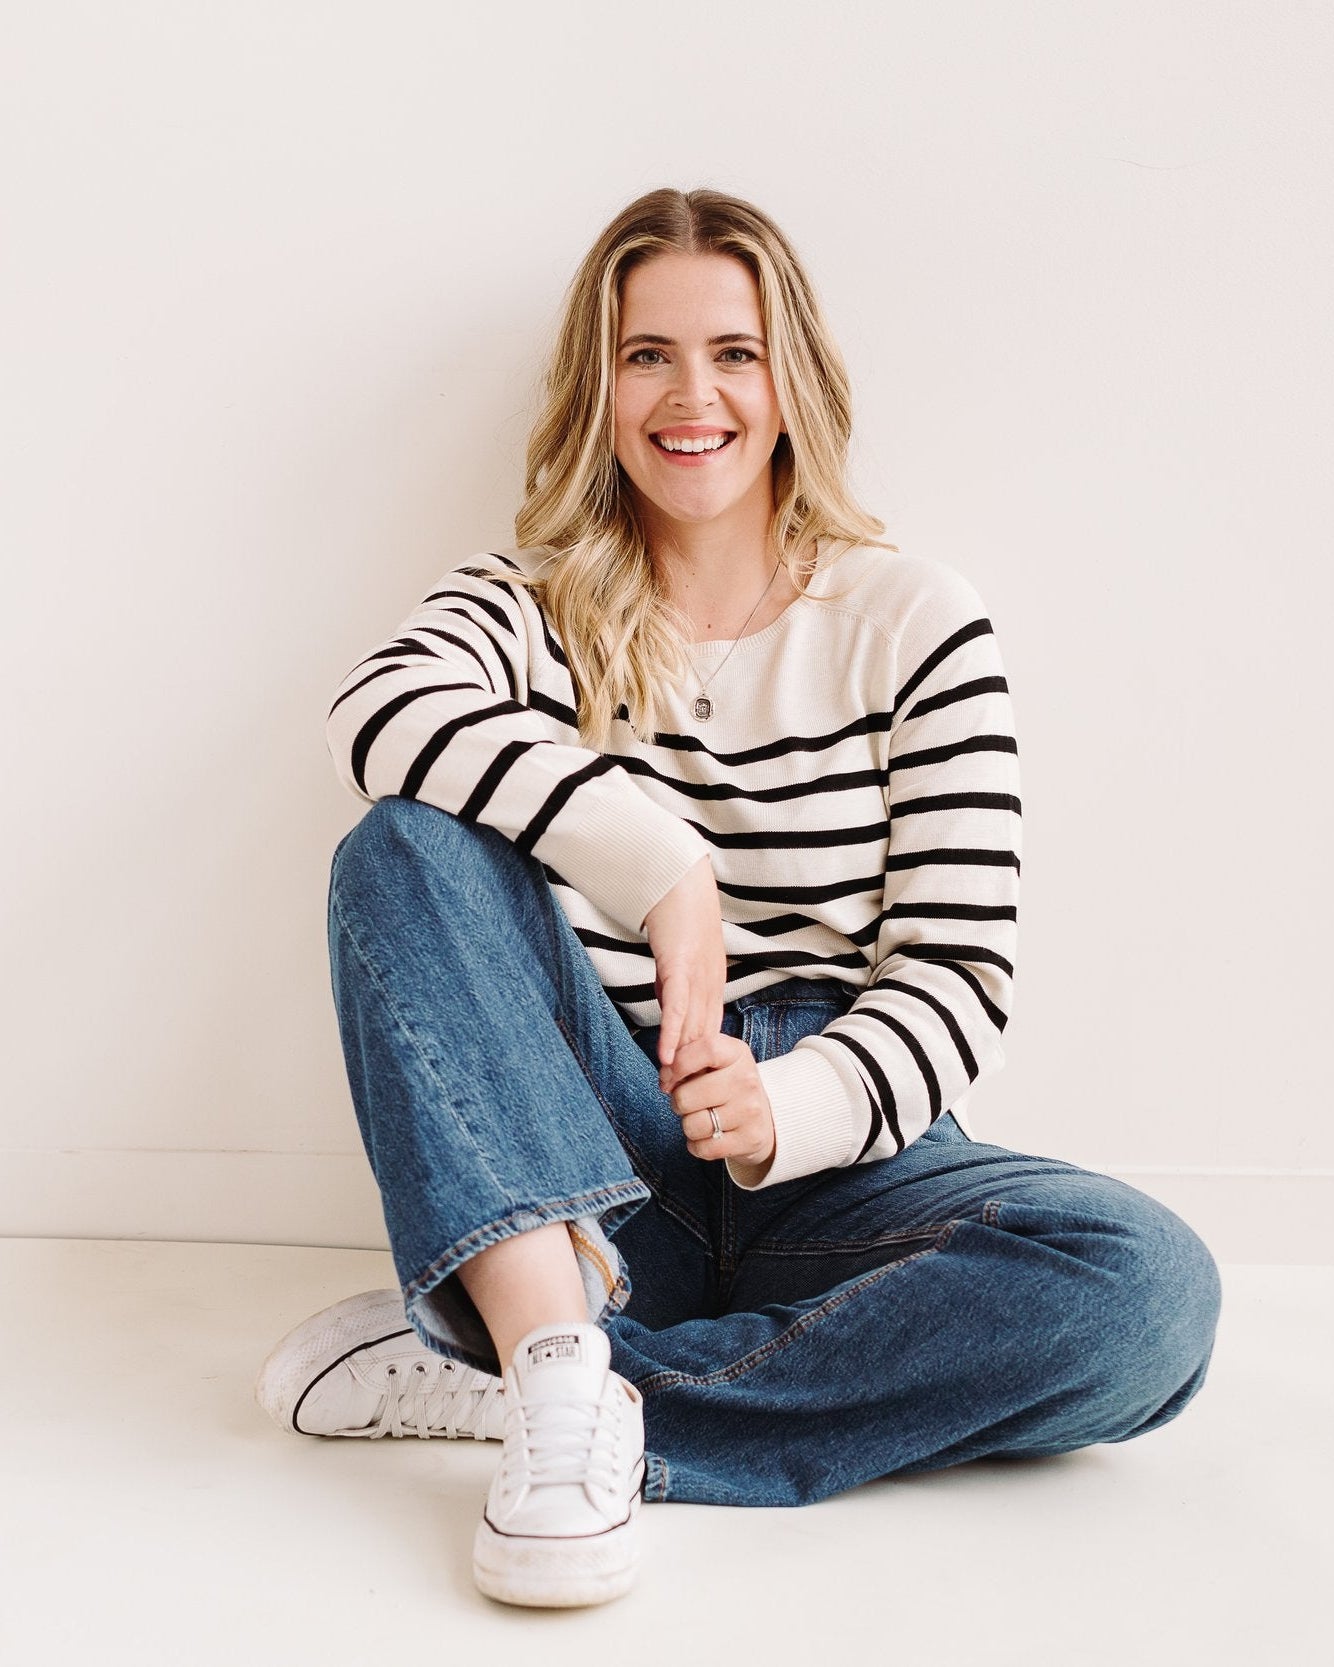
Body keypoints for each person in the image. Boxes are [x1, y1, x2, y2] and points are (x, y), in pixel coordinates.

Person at [255, 186, 1222, 1610]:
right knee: (401, 847)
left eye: (733, 352)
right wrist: (665, 877)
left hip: (844, 1165)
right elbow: (377, 710)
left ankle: (551, 1380)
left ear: (791, 384)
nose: (688, 394)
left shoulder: (912, 621)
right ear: (598, 387)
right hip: (588, 1151)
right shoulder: (522, 604)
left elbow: (958, 975)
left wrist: (793, 1105)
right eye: (646, 354)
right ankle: (553, 1340)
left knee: (1148, 1297)